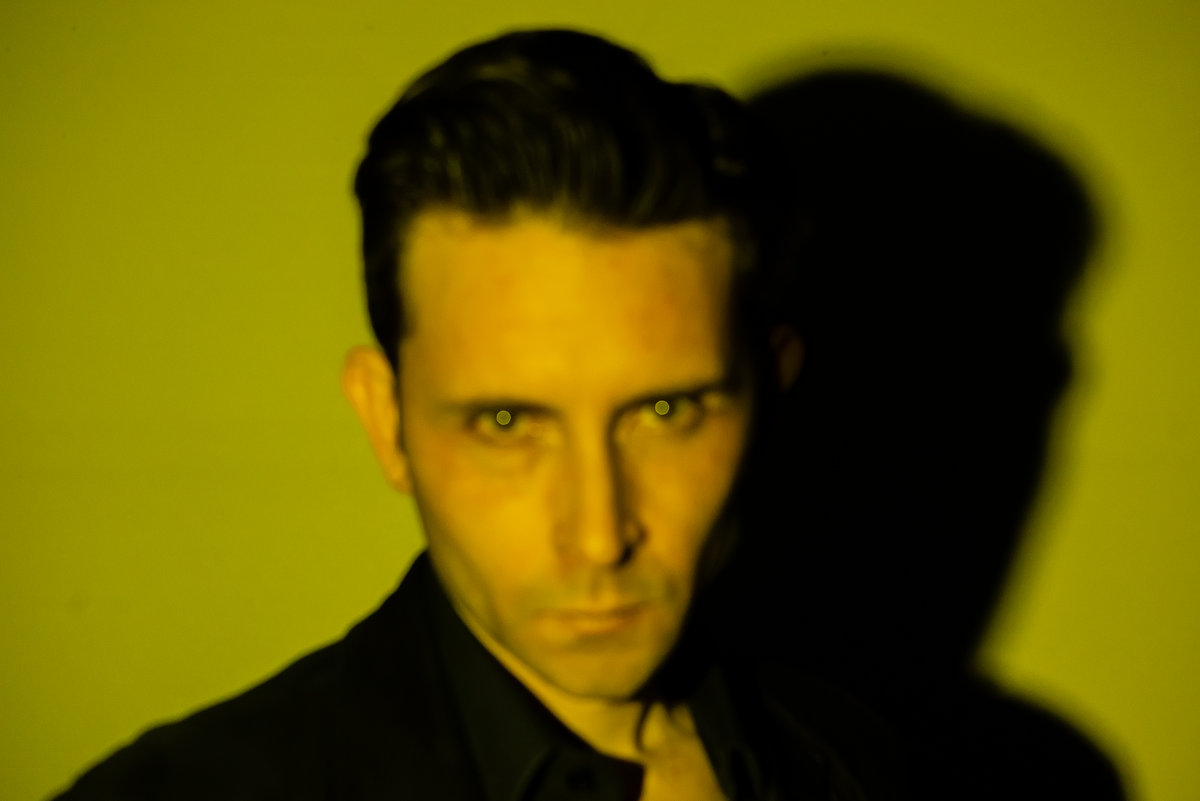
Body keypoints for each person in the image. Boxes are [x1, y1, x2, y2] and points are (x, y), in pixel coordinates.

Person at [51, 29, 897, 801]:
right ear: (387, 421)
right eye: (506, 425)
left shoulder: (891, 766)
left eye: (664, 410)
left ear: (770, 395)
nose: (598, 535)